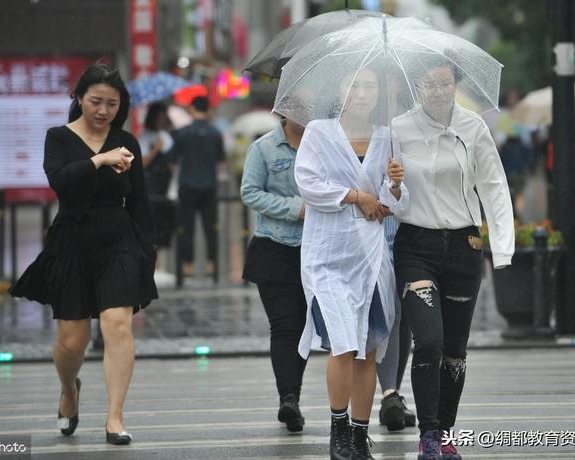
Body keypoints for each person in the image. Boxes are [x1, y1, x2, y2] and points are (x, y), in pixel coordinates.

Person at [9, 63, 158, 445]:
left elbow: (139, 201)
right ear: (78, 98)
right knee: (72, 343)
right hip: (72, 240)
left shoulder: (128, 140)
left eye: (112, 103)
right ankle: (69, 389)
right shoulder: (58, 137)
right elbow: (59, 181)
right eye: (96, 101)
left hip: (118, 240)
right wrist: (99, 160)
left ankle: (115, 418)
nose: (104, 110)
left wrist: (146, 251)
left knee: (117, 325)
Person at [390, 56, 514, 460]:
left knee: (455, 351)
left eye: (445, 84)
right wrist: (390, 185)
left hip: (464, 247)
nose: (438, 92)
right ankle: (428, 434)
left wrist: (504, 246)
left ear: (456, 85)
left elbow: (493, 185)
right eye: (429, 84)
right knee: (428, 340)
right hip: (415, 247)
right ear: (416, 88)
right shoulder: (398, 129)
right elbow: (380, 189)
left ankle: (444, 432)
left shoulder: (472, 127)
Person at [294, 67, 408, 460]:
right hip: (329, 256)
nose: (361, 93)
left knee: (369, 349)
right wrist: (357, 195)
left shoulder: (388, 137)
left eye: (370, 86)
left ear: (380, 92)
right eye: (353, 84)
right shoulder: (319, 133)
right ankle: (338, 429)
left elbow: (396, 205)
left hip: (372, 258)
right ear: (340, 88)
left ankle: (360, 436)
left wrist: (394, 183)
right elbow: (308, 183)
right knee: (342, 344)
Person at [240, 116, 308, 432]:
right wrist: (296, 208)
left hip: (317, 249)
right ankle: (288, 398)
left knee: (307, 328)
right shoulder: (263, 148)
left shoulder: (325, 145)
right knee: (284, 327)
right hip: (274, 247)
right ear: (282, 109)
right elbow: (250, 193)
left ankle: (294, 394)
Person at [169, 95, 225, 280]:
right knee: (211, 228)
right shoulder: (215, 133)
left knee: (187, 227)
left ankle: (188, 266)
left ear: (192, 109)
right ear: (208, 110)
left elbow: (172, 160)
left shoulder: (182, 133)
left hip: (187, 185)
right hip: (209, 185)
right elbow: (220, 160)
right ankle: (211, 265)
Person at [375, 216, 416, 432]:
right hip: (371, 242)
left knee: (404, 318)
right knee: (392, 314)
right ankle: (389, 393)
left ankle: (392, 397)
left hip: (406, 241)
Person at [138, 102, 175, 283]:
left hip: (165, 187)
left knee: (163, 224)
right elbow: (142, 162)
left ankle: (159, 264)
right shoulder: (146, 137)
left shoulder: (168, 137)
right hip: (149, 187)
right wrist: (156, 149)